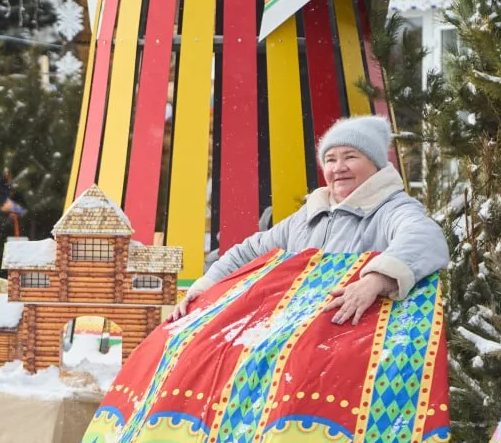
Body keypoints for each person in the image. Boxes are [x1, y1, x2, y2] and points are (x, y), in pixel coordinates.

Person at [169, 115, 449, 325]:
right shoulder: (309, 216)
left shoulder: (391, 208)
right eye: (330, 159)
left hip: (356, 349)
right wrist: (204, 289)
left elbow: (425, 237)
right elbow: (250, 252)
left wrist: (376, 280)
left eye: (350, 157)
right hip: (297, 342)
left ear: (375, 164)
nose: (338, 168)